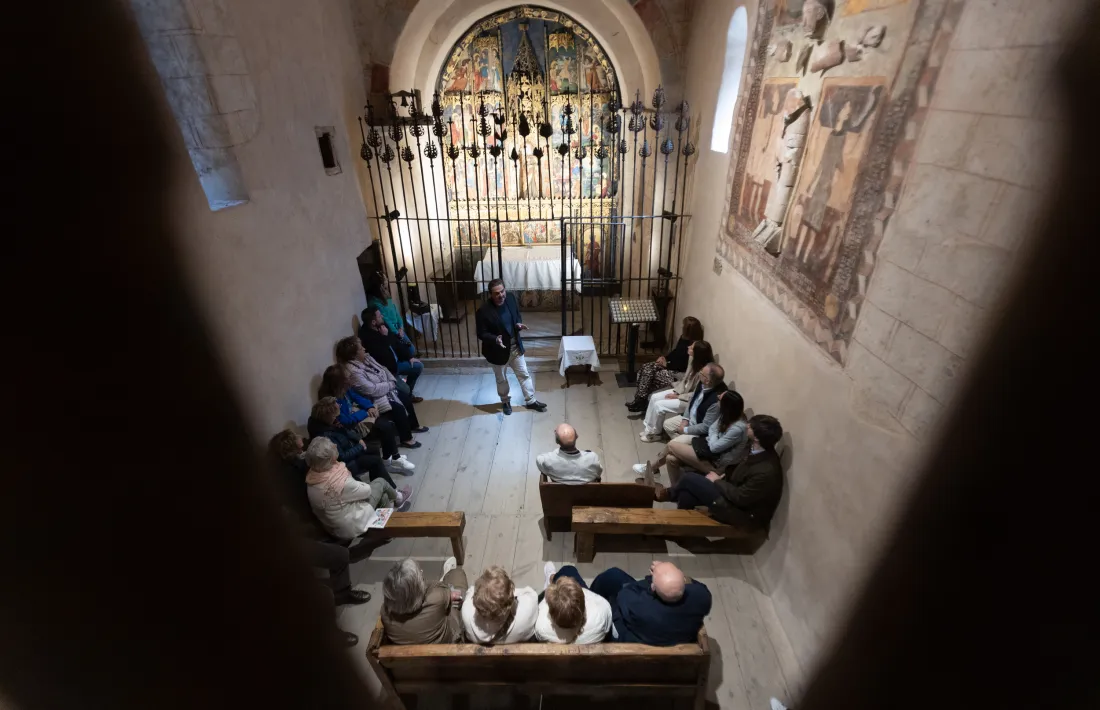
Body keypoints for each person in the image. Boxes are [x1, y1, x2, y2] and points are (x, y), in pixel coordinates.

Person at [656, 415, 784, 533]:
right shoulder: (756, 449)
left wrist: (717, 481)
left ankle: (666, 494)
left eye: (750, 426)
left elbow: (741, 498)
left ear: (756, 437)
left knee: (689, 479)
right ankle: (679, 528)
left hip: (743, 514)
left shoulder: (766, 470)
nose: (747, 426)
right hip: (731, 493)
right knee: (686, 495)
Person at [634, 363, 727, 478]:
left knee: (672, 445)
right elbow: (692, 403)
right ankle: (681, 452)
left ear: (708, 380)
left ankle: (653, 468)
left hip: (698, 432)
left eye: (702, 373)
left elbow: (705, 427)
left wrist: (686, 429)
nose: (699, 373)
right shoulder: (702, 384)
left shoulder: (715, 401)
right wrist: (685, 419)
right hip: (690, 420)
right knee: (667, 425)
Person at [304, 438, 407, 541]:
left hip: (332, 526)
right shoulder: (338, 482)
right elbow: (367, 491)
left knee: (384, 497)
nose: (335, 445)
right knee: (380, 482)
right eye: (331, 446)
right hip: (350, 526)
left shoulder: (312, 476)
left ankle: (385, 531)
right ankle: (398, 498)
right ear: (330, 459)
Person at [590, 560, 711, 646]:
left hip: (637, 638)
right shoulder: (702, 596)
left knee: (612, 576)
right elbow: (696, 585)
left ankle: (590, 601)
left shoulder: (639, 606)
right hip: (675, 637)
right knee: (614, 575)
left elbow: (624, 594)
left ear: (653, 587)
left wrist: (650, 578)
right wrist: (668, 575)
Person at [336, 336, 427, 447]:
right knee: (397, 408)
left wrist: (391, 381)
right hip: (374, 397)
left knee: (405, 397)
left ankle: (413, 426)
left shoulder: (367, 358)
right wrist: (390, 384)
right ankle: (406, 438)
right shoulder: (353, 371)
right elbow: (371, 390)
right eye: (361, 348)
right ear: (354, 355)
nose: (364, 349)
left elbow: (383, 369)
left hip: (386, 387)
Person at [475, 278, 547, 415]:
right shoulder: (484, 311)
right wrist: (495, 339)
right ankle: (505, 401)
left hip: (515, 347)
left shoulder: (511, 299)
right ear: (491, 294)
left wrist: (518, 324)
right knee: (501, 379)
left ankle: (531, 400)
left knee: (524, 374)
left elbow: (516, 316)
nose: (501, 295)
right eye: (496, 293)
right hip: (498, 351)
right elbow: (481, 333)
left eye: (502, 291)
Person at [317, 365, 408, 471]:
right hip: (349, 427)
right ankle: (392, 459)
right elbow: (345, 421)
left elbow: (357, 397)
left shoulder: (345, 389)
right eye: (346, 379)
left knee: (387, 424)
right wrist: (365, 412)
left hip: (356, 416)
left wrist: (370, 407)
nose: (349, 380)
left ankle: (392, 458)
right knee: (385, 427)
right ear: (339, 382)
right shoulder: (330, 400)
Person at [307, 397, 415, 486]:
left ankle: (381, 482)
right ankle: (393, 492)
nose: (339, 415)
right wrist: (360, 447)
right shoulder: (325, 436)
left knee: (374, 449)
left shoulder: (332, 422)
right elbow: (342, 457)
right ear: (329, 416)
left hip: (350, 447)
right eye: (337, 412)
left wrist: (358, 439)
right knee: (375, 460)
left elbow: (347, 431)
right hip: (346, 463)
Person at [662, 390, 748, 486]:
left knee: (671, 445)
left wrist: (712, 438)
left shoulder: (738, 428)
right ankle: (675, 490)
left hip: (717, 464)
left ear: (726, 406)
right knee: (670, 459)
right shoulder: (726, 415)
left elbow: (714, 447)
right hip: (708, 452)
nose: (717, 396)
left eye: (719, 399)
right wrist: (714, 438)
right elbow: (712, 429)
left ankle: (652, 468)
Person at [638, 340, 715, 442]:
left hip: (688, 400)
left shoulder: (704, 372)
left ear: (698, 353)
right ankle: (648, 428)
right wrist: (677, 391)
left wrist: (678, 396)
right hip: (682, 391)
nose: (688, 347)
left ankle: (655, 433)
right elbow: (685, 380)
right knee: (654, 397)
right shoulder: (692, 360)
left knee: (659, 406)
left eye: (691, 347)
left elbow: (696, 394)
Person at [381, 556, 467, 644]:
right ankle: (447, 576)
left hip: (411, 655)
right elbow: (443, 589)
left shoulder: (384, 613)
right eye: (420, 574)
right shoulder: (436, 598)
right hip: (447, 645)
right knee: (457, 575)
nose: (421, 572)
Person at [625, 316, 705, 410]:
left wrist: (666, 365)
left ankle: (640, 400)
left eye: (683, 326)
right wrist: (664, 357)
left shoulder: (694, 346)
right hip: (672, 366)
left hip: (678, 373)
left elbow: (684, 366)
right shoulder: (683, 338)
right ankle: (640, 399)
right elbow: (675, 352)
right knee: (646, 367)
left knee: (649, 374)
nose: (681, 327)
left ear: (688, 330)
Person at [359, 304, 423, 402]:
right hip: (388, 370)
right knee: (405, 389)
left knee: (418, 366)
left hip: (396, 362)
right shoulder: (367, 337)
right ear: (373, 322)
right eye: (380, 316)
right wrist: (384, 337)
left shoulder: (382, 325)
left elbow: (396, 343)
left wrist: (409, 357)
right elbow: (382, 357)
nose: (382, 317)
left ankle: (408, 396)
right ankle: (403, 396)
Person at [535, 563, 612, 644]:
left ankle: (551, 580)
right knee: (569, 569)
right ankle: (553, 578)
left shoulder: (541, 624)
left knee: (565, 571)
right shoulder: (601, 611)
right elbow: (607, 627)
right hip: (590, 639)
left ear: (551, 613)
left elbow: (540, 637)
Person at [461, 565, 538, 644]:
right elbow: (530, 593)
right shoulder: (526, 610)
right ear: (510, 600)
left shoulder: (467, 612)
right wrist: (508, 594)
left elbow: (470, 591)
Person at [535, 423, 603, 484]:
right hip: (586, 496)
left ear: (557, 441)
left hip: (560, 496)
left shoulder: (547, 460)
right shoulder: (592, 458)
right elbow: (598, 472)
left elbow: (539, 460)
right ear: (577, 436)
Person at [366, 273, 415, 352]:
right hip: (392, 331)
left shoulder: (386, 295)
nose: (387, 280)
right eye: (385, 279)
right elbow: (385, 320)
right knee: (409, 350)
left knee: (411, 349)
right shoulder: (374, 302)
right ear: (381, 283)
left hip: (398, 328)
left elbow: (396, 312)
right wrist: (397, 332)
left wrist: (401, 327)